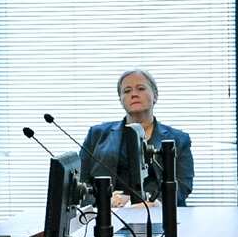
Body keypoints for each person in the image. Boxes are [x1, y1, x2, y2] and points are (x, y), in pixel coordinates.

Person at [80, 69, 193, 207]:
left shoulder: (179, 139)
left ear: (155, 96)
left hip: (159, 213)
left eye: (140, 88)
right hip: (108, 215)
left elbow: (183, 185)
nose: (134, 94)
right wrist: (102, 201)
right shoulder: (96, 134)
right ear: (121, 100)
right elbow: (80, 184)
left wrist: (155, 203)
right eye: (127, 91)